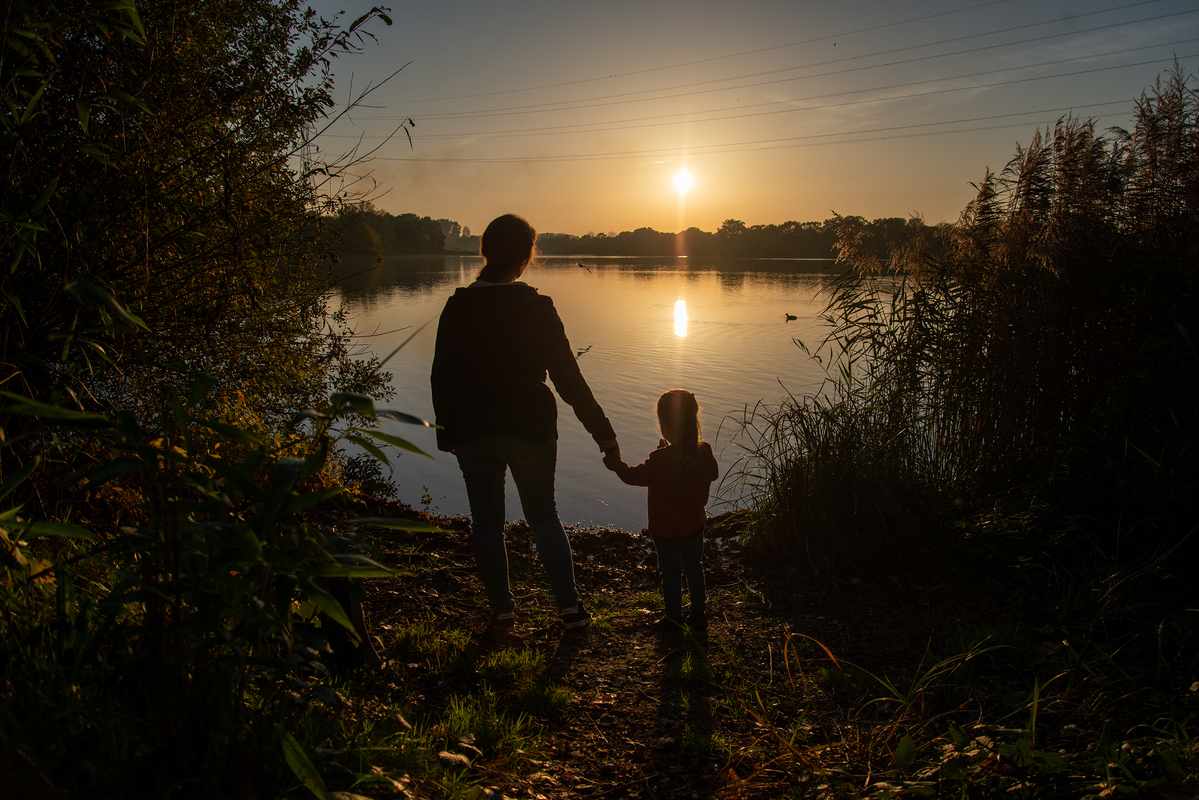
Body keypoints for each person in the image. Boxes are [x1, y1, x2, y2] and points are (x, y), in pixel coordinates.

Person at [430, 213, 618, 638]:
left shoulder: (458, 306)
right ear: (526, 256)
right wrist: (603, 432)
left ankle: (502, 614)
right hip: (529, 428)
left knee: (486, 524)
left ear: (484, 252)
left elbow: (442, 375)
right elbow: (568, 378)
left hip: (473, 431)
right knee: (544, 516)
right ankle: (570, 608)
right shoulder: (537, 306)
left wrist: (447, 432)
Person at [603, 389, 718, 630]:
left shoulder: (660, 460)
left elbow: (632, 476)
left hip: (665, 530)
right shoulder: (704, 451)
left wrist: (616, 463)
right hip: (694, 526)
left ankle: (674, 617)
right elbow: (713, 473)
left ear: (666, 425)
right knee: (694, 568)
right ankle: (699, 611)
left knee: (671, 573)